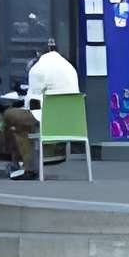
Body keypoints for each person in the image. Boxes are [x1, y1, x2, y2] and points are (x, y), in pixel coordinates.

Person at [9, 42, 82, 179]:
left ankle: (26, 166)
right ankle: (28, 163)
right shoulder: (69, 66)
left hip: (47, 119)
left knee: (11, 116)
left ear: (39, 54)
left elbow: (31, 99)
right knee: (21, 124)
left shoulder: (38, 68)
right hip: (72, 122)